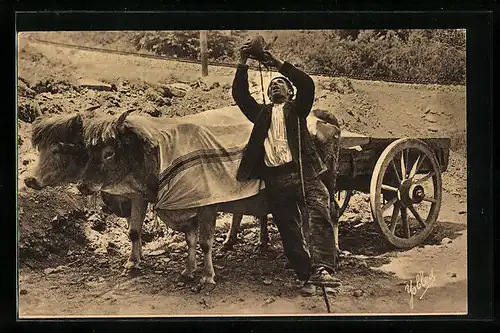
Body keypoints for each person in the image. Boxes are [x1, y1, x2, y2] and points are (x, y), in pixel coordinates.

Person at [232, 40, 341, 293]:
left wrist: (278, 64)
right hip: (276, 179)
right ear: (268, 94)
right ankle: (307, 276)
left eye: (280, 83)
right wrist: (242, 62)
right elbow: (240, 95)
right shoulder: (260, 114)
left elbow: (307, 84)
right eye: (272, 85)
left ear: (290, 93)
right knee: (288, 229)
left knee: (319, 213)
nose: (275, 86)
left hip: (304, 173)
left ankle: (323, 268)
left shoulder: (298, 110)